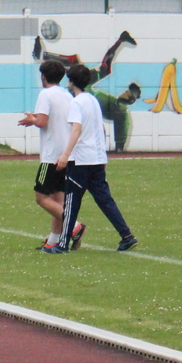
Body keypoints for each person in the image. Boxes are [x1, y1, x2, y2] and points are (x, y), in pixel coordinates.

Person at [52, 63, 138, 254]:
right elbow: (100, 130)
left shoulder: (76, 103)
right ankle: (126, 236)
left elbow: (76, 129)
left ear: (71, 82)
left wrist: (65, 154)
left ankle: (62, 244)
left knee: (71, 202)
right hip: (96, 159)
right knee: (105, 200)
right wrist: (102, 156)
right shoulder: (92, 100)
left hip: (80, 160)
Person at [18, 59, 80, 250]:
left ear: (43, 76)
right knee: (57, 199)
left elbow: (42, 121)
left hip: (51, 155)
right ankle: (54, 240)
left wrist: (32, 120)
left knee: (42, 197)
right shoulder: (68, 95)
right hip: (67, 154)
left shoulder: (45, 94)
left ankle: (75, 226)